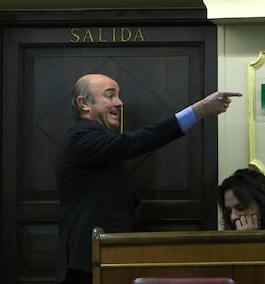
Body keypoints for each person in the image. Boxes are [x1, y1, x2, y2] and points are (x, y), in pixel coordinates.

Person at [55, 73, 242, 284]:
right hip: (85, 264)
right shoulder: (81, 138)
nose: (119, 103)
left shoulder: (94, 140)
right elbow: (140, 140)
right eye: (110, 96)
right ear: (84, 103)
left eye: (118, 95)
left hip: (101, 260)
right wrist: (198, 110)